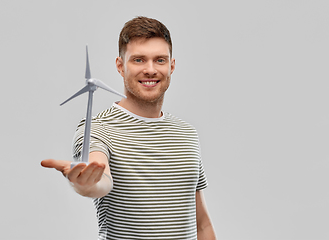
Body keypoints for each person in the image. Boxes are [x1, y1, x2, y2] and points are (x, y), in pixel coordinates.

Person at [42, 16, 216, 240]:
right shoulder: (97, 129)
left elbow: (201, 224)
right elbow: (100, 180)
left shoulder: (187, 134)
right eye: (139, 60)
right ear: (120, 66)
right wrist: (86, 183)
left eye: (160, 60)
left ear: (172, 65)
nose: (150, 70)